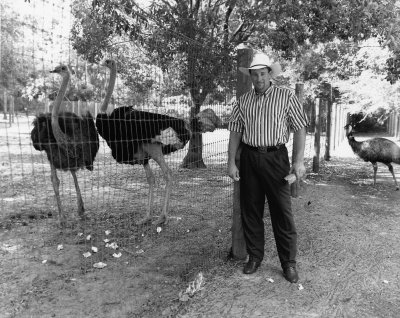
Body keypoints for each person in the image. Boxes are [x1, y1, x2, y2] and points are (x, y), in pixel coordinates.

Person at [227, 52, 309, 283]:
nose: (259, 79)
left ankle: (288, 263)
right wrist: (231, 161)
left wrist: (299, 161)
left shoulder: (286, 96)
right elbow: (235, 131)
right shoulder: (243, 101)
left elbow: (300, 127)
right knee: (251, 209)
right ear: (251, 76)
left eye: (262, 74)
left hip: (276, 158)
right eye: (255, 75)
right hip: (250, 159)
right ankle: (254, 257)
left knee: (281, 212)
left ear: (269, 74)